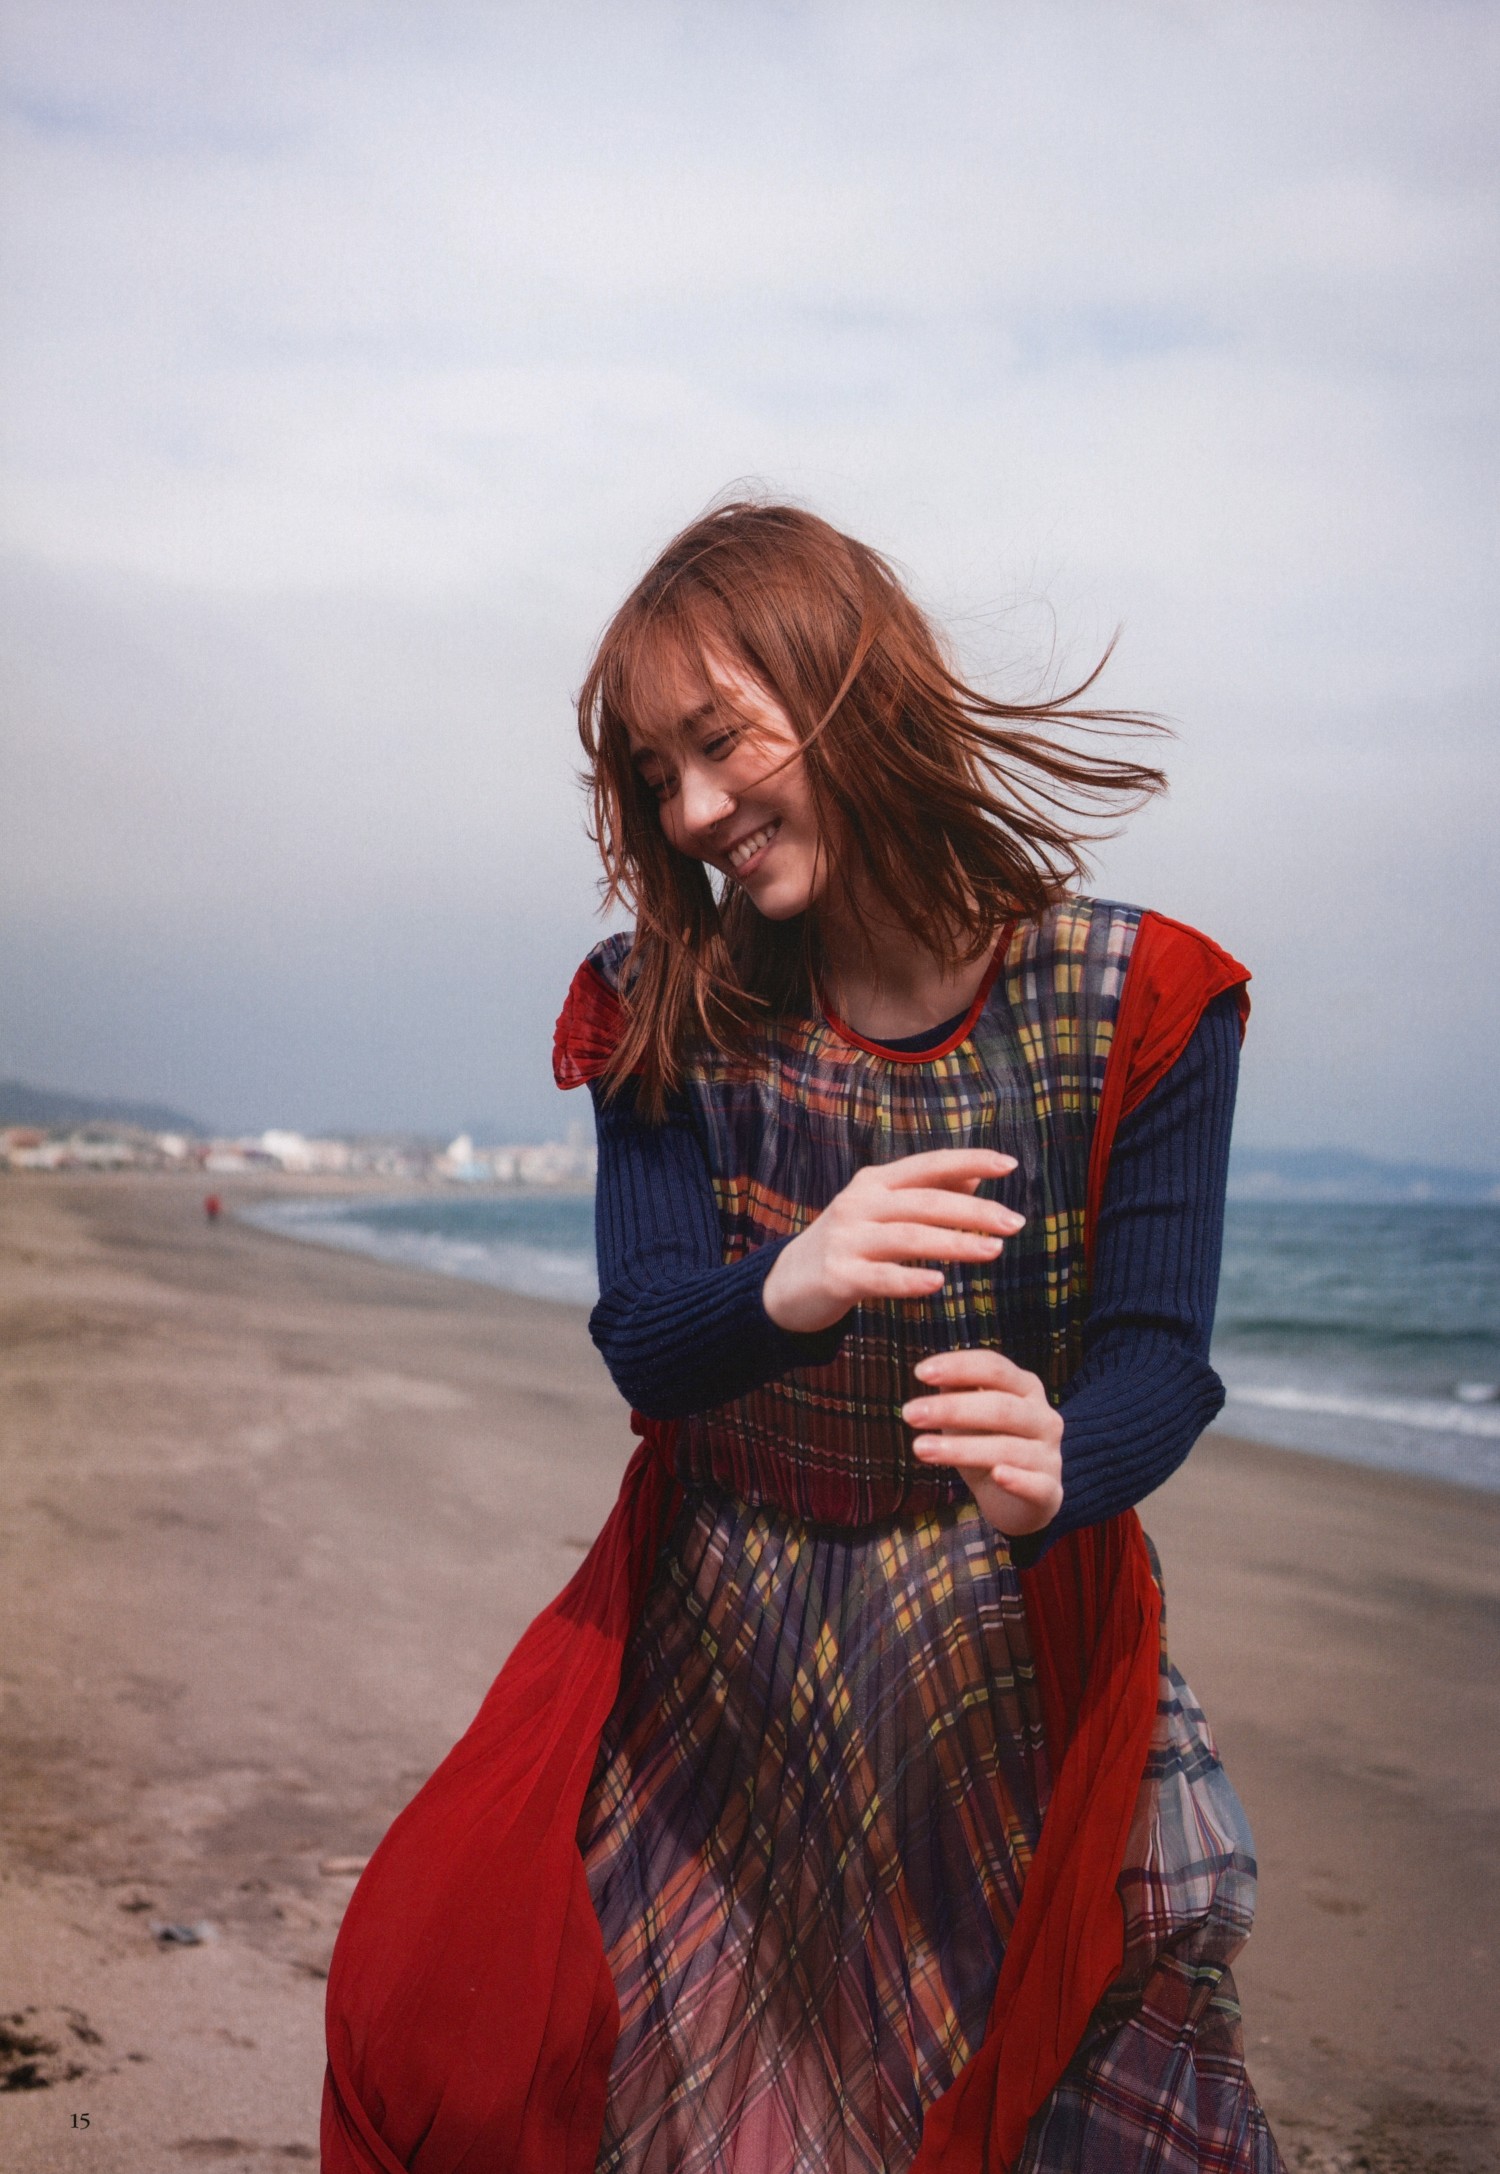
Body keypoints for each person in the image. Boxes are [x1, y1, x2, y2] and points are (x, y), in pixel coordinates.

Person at [323, 502, 1283, 2174]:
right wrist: (797, 1274)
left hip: (1006, 1654)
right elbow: (645, 1332)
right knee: (618, 2073)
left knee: (1059, 2096)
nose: (693, 811)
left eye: (719, 742)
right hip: (725, 1654)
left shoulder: (1142, 995)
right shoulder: (660, 1001)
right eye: (658, 775)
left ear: (852, 684)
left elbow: (1159, 1352)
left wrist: (1065, 1460)